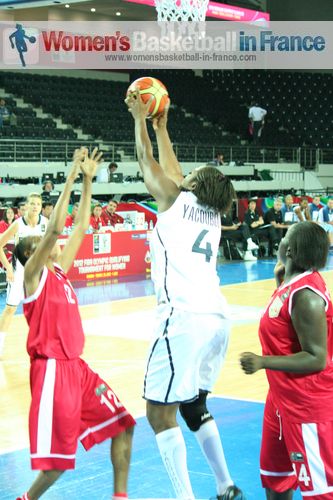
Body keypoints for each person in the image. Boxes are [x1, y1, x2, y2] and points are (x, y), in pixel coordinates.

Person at [126, 89, 244, 500]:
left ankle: (184, 497)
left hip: (183, 318)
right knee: (194, 406)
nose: (184, 174)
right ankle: (226, 485)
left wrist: (141, 120)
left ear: (195, 184)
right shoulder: (207, 211)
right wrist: (165, 127)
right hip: (217, 318)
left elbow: (149, 165)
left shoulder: (176, 200)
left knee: (158, 414)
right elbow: (174, 172)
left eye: (191, 174)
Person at [15, 148, 135, 500]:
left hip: (77, 370)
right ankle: (27, 498)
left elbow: (80, 224)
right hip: (52, 371)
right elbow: (53, 229)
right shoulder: (33, 277)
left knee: (123, 424)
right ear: (30, 255)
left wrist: (87, 180)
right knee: (57, 463)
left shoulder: (60, 272)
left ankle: (120, 496)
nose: (49, 243)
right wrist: (70, 174)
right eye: (38, 245)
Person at [240, 221, 333, 499]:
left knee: (320, 493)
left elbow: (317, 358)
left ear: (290, 250)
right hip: (280, 400)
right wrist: (279, 283)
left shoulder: (306, 295)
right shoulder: (290, 284)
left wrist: (263, 362)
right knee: (275, 480)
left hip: (306, 406)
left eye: (284, 238)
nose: (279, 241)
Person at [0, 193, 48, 358]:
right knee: (10, 309)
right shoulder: (18, 224)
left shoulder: (45, 223)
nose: (35, 206)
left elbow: (49, 247)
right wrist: (8, 268)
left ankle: (42, 345)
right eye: (32, 203)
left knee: (41, 310)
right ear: (26, 206)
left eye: (38, 204)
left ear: (41, 207)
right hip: (19, 272)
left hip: (36, 273)